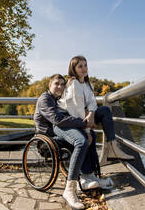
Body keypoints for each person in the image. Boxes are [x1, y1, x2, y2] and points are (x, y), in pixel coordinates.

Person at [34, 74, 101, 209]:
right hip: (47, 139)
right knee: (80, 141)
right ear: (49, 85)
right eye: (56, 83)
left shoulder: (59, 100)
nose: (60, 86)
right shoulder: (45, 99)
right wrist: (83, 123)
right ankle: (70, 189)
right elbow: (58, 120)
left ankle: (88, 175)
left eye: (63, 84)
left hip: (59, 135)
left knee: (89, 135)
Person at [58, 55, 135, 167]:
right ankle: (90, 167)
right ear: (73, 69)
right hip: (69, 117)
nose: (84, 68)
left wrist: (91, 113)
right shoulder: (73, 83)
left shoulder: (87, 84)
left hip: (83, 114)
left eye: (85, 65)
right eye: (80, 66)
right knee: (90, 135)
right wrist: (87, 131)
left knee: (105, 110)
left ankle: (113, 148)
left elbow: (92, 103)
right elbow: (76, 110)